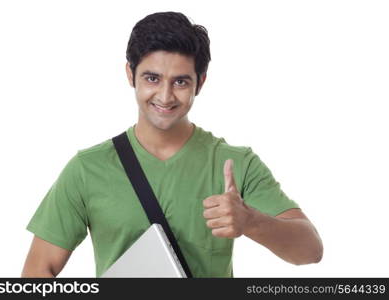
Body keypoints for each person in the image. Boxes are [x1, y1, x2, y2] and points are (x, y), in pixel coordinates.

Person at [21, 11, 323, 278]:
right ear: (130, 74)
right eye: (152, 78)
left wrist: (251, 221)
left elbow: (310, 250)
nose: (165, 97)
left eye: (180, 82)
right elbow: (38, 270)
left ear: (200, 83)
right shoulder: (87, 169)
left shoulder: (235, 163)